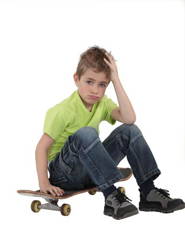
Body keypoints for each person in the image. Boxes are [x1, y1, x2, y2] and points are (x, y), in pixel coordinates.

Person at [35, 46, 185, 220]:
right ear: (77, 79)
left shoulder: (103, 103)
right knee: (86, 133)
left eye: (102, 84)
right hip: (64, 175)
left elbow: (129, 119)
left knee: (130, 131)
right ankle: (111, 196)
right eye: (89, 82)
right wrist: (44, 183)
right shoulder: (62, 111)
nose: (95, 90)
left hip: (92, 169)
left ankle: (148, 192)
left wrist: (115, 79)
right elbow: (41, 148)